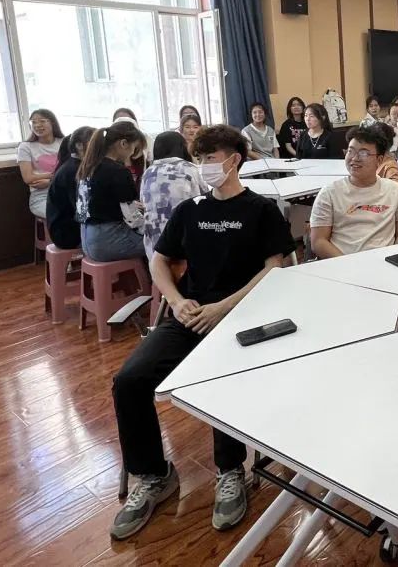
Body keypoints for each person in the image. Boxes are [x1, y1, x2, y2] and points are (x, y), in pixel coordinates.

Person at [110, 125, 294, 541]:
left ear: (235, 160)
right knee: (130, 380)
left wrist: (223, 307)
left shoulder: (261, 210)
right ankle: (154, 475)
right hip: (189, 315)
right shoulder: (190, 210)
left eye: (211, 158)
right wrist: (176, 301)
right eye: (200, 158)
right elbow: (159, 261)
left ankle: (230, 470)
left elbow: (275, 267)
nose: (204, 166)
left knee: (218, 377)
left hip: (241, 316)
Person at [309, 125, 398, 258]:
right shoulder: (329, 193)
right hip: (342, 262)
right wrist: (349, 264)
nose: (354, 158)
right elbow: (318, 241)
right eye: (350, 151)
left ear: (379, 160)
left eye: (363, 153)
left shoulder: (395, 191)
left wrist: (394, 258)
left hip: (385, 262)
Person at [76, 121, 148, 262]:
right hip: (108, 242)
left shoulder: (88, 167)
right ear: (123, 144)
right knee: (163, 244)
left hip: (86, 241)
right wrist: (151, 229)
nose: (133, 154)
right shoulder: (119, 171)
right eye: (134, 148)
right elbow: (132, 218)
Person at [139, 131, 206, 261]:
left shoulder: (148, 172)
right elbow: (205, 198)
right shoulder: (190, 169)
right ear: (182, 147)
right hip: (185, 243)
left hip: (154, 246)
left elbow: (143, 203)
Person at [46, 125, 95, 250]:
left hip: (66, 229)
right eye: (95, 142)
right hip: (67, 235)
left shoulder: (75, 166)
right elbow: (82, 211)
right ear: (79, 146)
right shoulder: (75, 170)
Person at [18, 108, 64, 218]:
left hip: (64, 191)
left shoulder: (64, 142)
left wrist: (50, 181)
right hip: (41, 196)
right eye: (33, 122)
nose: (37, 125)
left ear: (52, 122)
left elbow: (71, 173)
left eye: (42, 121)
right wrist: (56, 176)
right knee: (58, 215)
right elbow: (28, 178)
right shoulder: (25, 147)